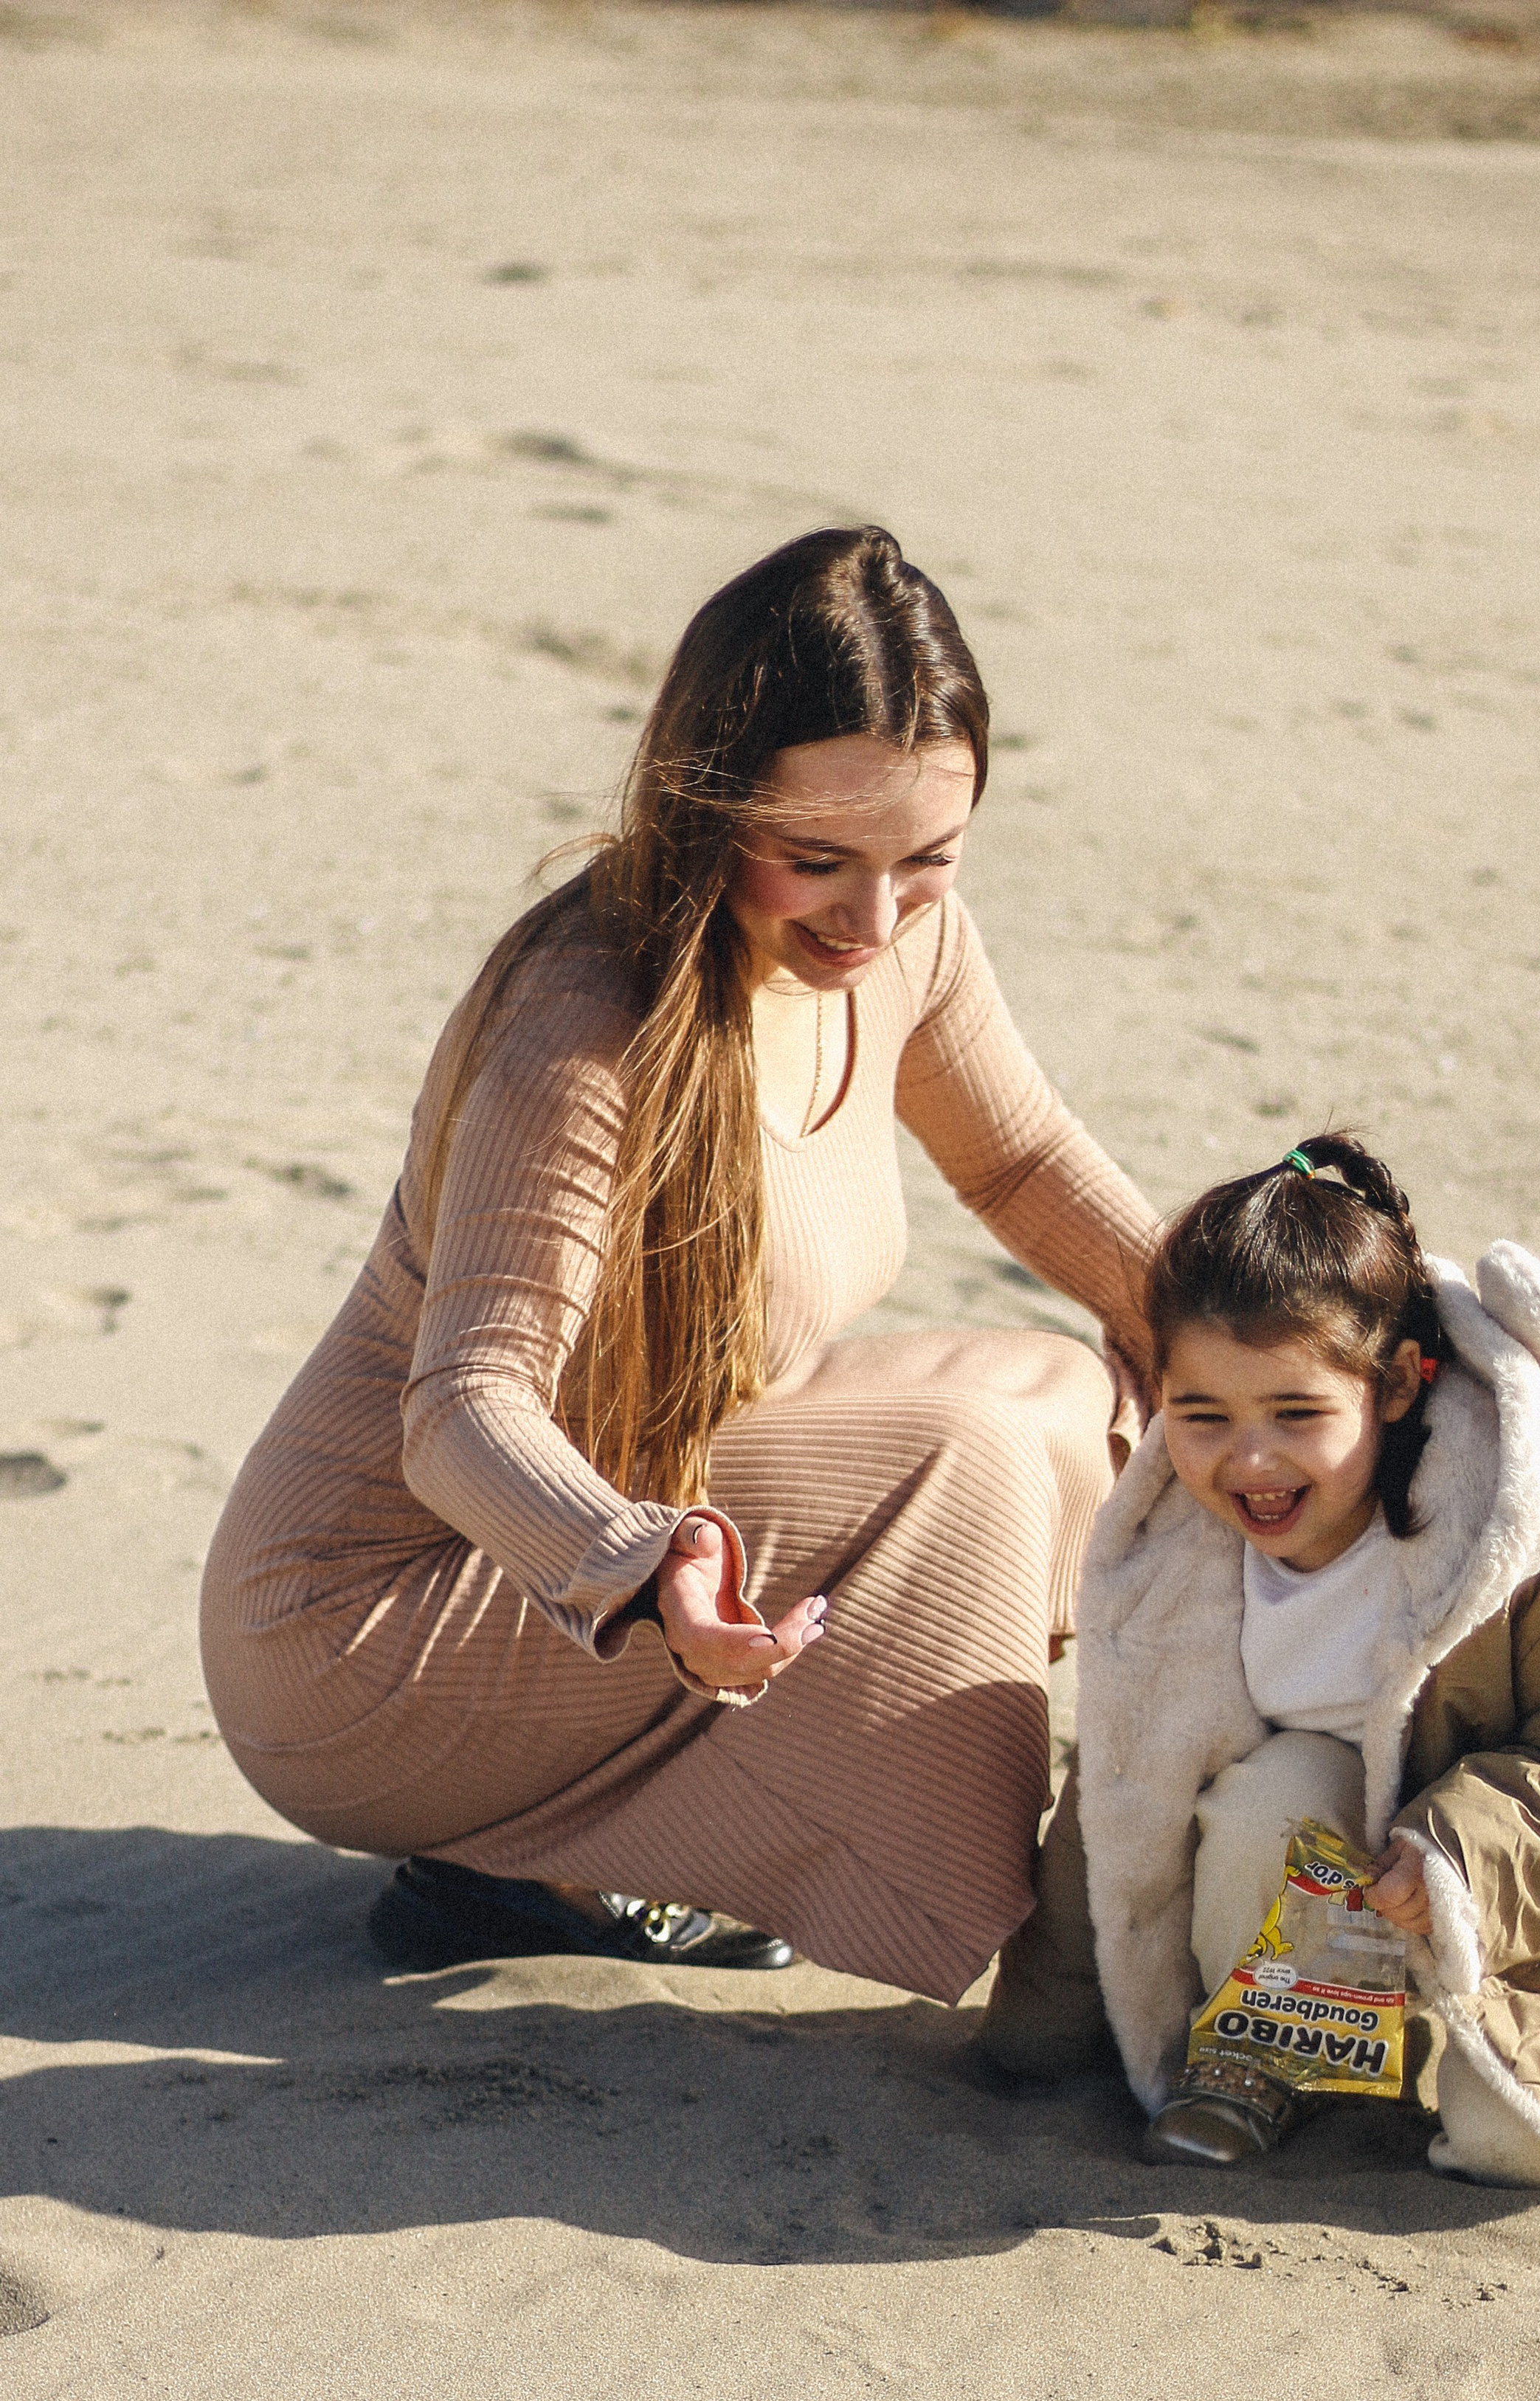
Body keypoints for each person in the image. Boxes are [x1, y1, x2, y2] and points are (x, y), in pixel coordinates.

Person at [200, 527, 1158, 2000]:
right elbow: (463, 1407)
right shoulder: (589, 1024)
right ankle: (1050, 1962)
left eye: (928, 860)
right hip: (364, 1628)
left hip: (604, 1553)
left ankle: (572, 1854)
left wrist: (1286, 1342)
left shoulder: (907, 941)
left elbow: (1022, 1163)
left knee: (1070, 1401)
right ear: (704, 803)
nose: (874, 918)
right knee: (964, 1455)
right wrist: (645, 1568)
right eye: (815, 861)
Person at [983, 1136, 1540, 2187]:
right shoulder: (1176, 1551)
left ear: (1400, 1386)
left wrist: (1461, 1856)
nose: (1251, 1460)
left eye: (1297, 1414)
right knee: (1270, 1792)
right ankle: (1273, 2055)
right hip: (1366, 1873)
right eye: (1204, 1416)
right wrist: (1047, 2031)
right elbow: (1128, 1780)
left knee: (1511, 2135)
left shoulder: (1524, 1531)